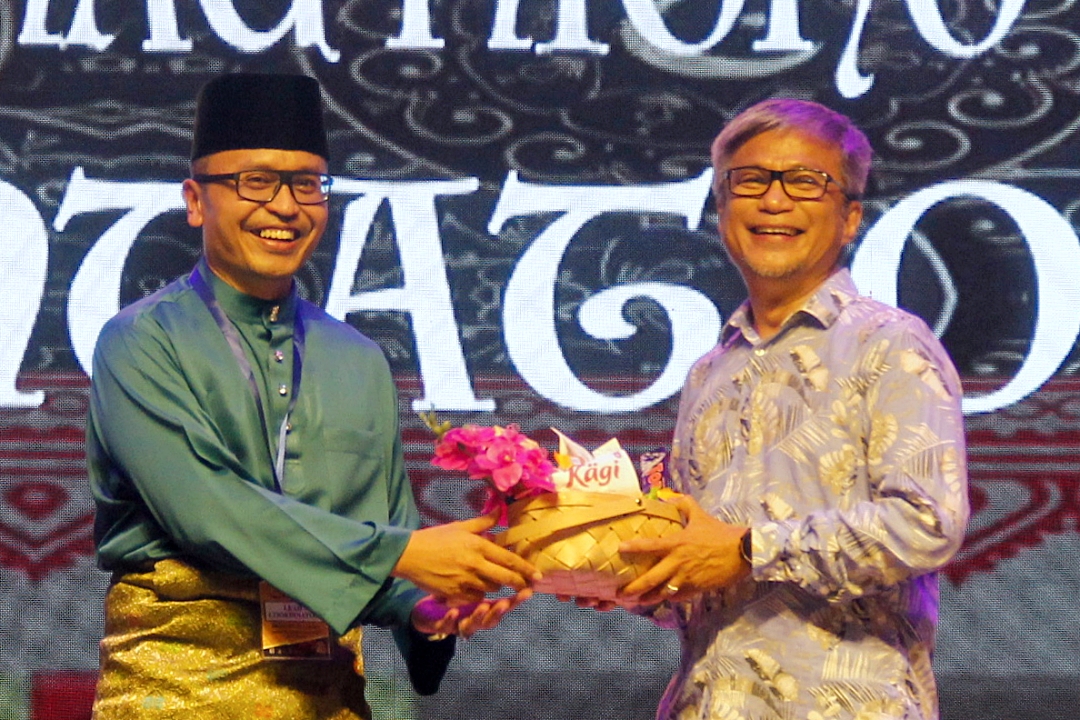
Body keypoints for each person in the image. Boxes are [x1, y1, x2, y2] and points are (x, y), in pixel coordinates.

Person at [86, 72, 539, 719]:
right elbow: (206, 509)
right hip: (177, 693)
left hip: (326, 698)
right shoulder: (139, 341)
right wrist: (408, 555)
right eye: (256, 181)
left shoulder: (357, 360)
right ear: (195, 200)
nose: (286, 206)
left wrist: (433, 610)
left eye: (308, 184)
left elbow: (388, 545)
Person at [617, 98, 970, 720]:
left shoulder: (888, 344)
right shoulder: (710, 372)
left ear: (851, 216)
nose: (773, 201)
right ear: (722, 208)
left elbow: (927, 521)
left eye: (805, 181)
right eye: (749, 181)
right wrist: (634, 578)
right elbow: (710, 566)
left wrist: (753, 548)